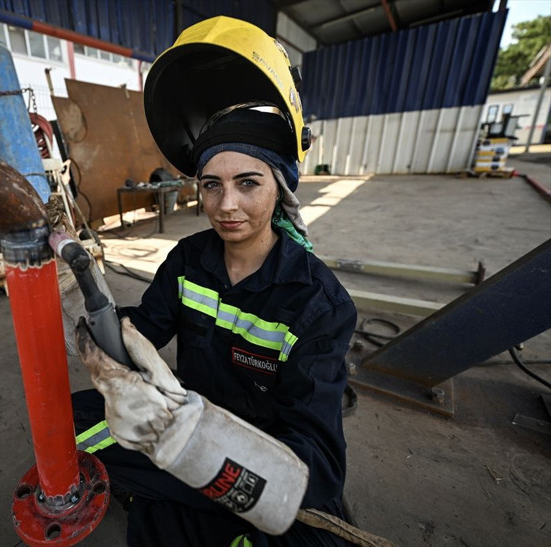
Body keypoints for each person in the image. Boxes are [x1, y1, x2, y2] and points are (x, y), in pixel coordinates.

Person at [71, 16, 357, 546]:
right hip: (187, 407)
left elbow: (317, 463)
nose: (227, 206)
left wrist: (196, 440)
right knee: (72, 423)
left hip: (263, 449)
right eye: (211, 185)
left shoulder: (320, 303)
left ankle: (183, 489)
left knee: (305, 512)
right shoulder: (188, 260)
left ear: (280, 187)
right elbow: (147, 327)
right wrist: (107, 340)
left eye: (248, 183)